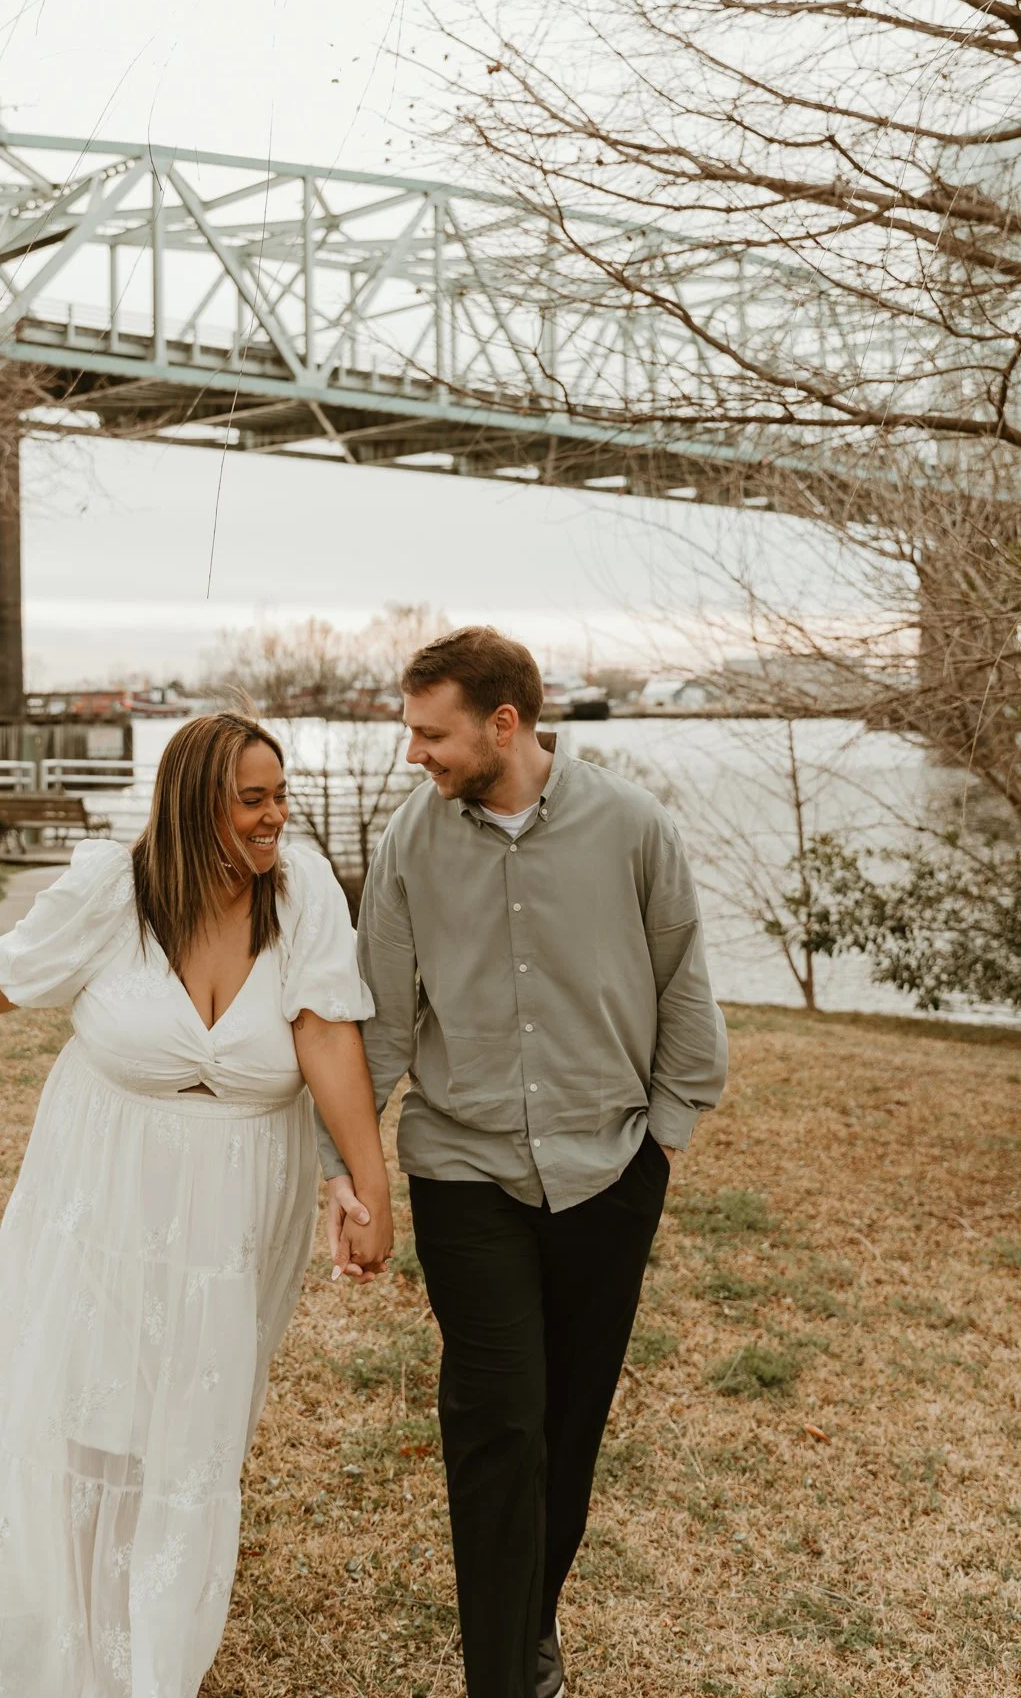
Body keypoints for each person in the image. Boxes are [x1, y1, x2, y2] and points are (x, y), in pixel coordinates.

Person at [0, 712, 394, 1698]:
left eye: (282, 794)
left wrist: (367, 1177)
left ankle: (149, 1663)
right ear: (198, 802)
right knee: (81, 1399)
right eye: (254, 797)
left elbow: (325, 1028)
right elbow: (6, 975)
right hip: (101, 1184)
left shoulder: (302, 889)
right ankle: (54, 1637)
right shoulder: (117, 885)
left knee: (192, 1427)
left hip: (236, 1205)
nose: (277, 815)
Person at [322, 629, 727, 1698]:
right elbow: (380, 1020)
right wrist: (348, 1167)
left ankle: (530, 1616)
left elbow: (683, 977)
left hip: (612, 1171)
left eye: (431, 731)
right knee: (496, 1423)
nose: (416, 752)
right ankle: (505, 1675)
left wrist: (668, 1135)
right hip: (465, 1171)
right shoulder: (412, 840)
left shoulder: (632, 824)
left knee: (568, 1427)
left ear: (506, 723)